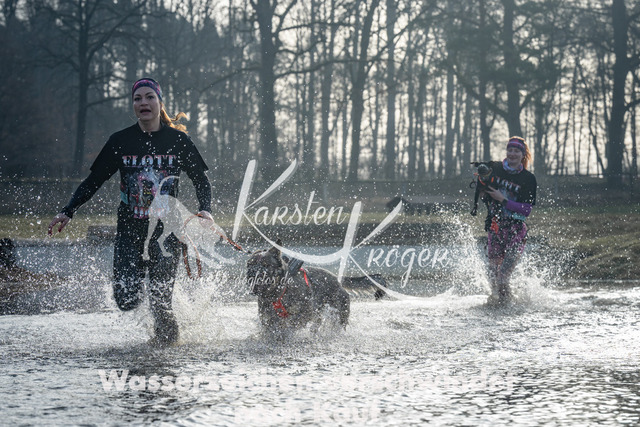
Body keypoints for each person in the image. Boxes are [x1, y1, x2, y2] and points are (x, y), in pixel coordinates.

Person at [48, 78, 213, 344]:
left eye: (149, 97)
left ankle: (165, 351)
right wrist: (68, 211)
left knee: (160, 302)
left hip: (166, 234)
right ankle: (149, 301)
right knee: (126, 300)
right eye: (138, 98)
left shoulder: (178, 141)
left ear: (160, 103)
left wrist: (205, 209)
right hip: (130, 232)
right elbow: (94, 180)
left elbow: (201, 180)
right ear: (133, 104)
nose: (143, 103)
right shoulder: (120, 141)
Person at [479, 136, 537, 304]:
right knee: (492, 274)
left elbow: (526, 210)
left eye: (516, 151)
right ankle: (495, 305)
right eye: (510, 150)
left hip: (516, 231)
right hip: (496, 228)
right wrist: (482, 188)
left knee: (503, 277)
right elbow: (483, 193)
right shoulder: (495, 169)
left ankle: (508, 307)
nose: (512, 154)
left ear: (523, 154)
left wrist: (502, 199)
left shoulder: (528, 178)